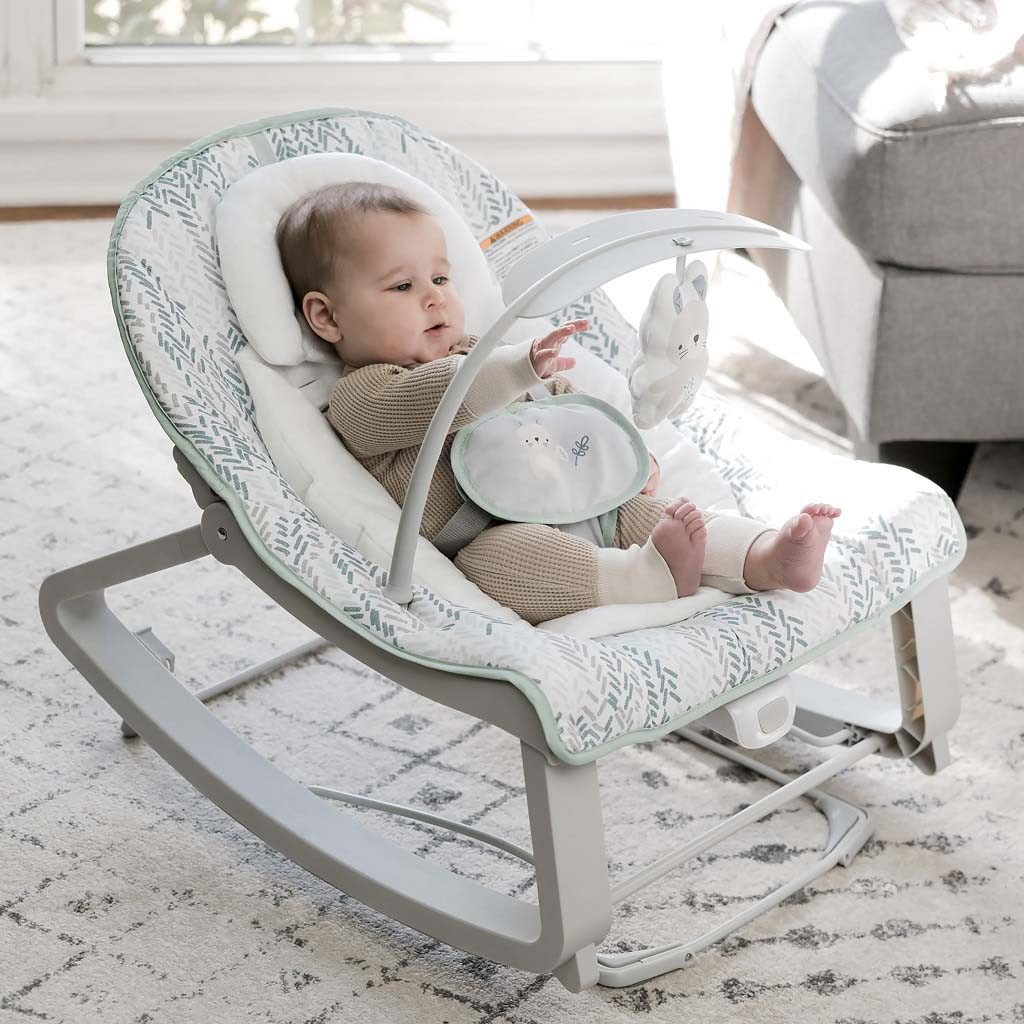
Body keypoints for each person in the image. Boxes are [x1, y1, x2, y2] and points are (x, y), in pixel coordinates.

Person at [275, 181, 840, 624]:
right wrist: (514, 368)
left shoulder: (483, 350)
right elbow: (436, 398)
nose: (434, 298)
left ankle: (763, 555)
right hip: (484, 529)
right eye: (403, 287)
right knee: (500, 562)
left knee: (656, 515)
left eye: (442, 278)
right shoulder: (363, 393)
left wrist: (624, 456)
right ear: (326, 317)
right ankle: (641, 580)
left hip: (582, 498)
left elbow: (567, 412)